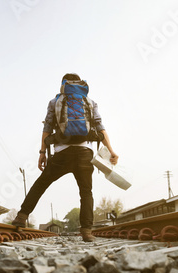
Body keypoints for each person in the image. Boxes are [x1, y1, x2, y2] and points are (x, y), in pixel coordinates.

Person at [12, 73, 118, 242]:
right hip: (85, 153)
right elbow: (100, 127)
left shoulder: (55, 102)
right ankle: (87, 231)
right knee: (86, 192)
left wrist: (42, 153)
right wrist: (111, 151)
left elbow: (47, 127)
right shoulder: (90, 102)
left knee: (41, 184)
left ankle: (21, 217)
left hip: (62, 154)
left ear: (63, 84)